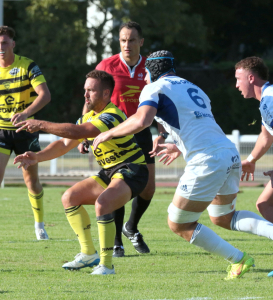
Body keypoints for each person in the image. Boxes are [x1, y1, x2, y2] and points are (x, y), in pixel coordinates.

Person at [93, 50, 273, 280]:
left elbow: (142, 120)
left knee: (178, 223)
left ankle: (238, 259)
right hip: (228, 154)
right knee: (223, 217)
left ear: (152, 71)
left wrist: (109, 133)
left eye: (145, 73)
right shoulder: (194, 88)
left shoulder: (154, 88)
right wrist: (179, 146)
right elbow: (197, 125)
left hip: (206, 160)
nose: (144, 78)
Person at [13, 70, 148, 275]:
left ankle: (107, 265)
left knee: (103, 204)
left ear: (105, 94)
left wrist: (41, 124)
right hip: (110, 170)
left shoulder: (111, 115)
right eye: (85, 90)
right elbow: (66, 143)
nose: (85, 95)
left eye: (91, 90)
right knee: (70, 197)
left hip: (133, 169)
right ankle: (88, 254)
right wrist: (36, 157)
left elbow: (77, 132)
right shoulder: (89, 116)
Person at [80, 21, 160, 257]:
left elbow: (162, 101)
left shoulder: (150, 67)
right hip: (112, 132)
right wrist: (85, 133)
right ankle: (116, 242)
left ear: (141, 42)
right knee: (118, 186)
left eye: (132, 40)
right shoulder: (107, 65)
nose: (127, 44)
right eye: (123, 40)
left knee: (148, 189)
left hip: (142, 131)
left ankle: (131, 227)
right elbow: (89, 99)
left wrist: (163, 134)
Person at [0, 26, 51, 242]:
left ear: (13, 44)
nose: (1, 47)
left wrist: (26, 113)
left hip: (25, 131)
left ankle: (39, 225)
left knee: (31, 182)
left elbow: (45, 95)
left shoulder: (27, 66)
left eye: (4, 43)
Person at [235, 56, 273, 223]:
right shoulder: (267, 99)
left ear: (251, 78)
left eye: (238, 79)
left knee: (265, 204)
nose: (236, 85)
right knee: (264, 205)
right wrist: (251, 160)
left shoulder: (270, 100)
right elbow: (266, 136)